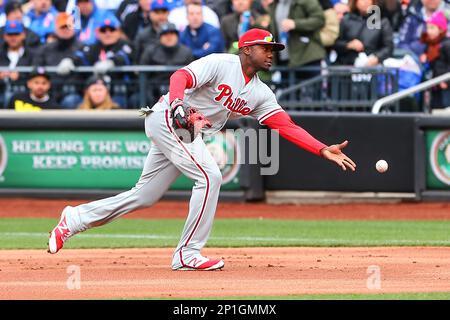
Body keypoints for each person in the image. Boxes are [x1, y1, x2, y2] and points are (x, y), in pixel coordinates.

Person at [47, 28, 356, 271]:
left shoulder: (261, 93)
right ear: (247, 49)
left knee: (145, 195)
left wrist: (320, 149)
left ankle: (74, 219)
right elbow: (180, 76)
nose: (271, 54)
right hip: (167, 116)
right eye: (266, 48)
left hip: (188, 132)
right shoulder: (221, 63)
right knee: (210, 177)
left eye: (274, 49)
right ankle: (187, 253)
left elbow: (285, 124)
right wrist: (179, 100)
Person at [75, 15, 134, 108]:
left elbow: (124, 57)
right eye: (103, 30)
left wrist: (111, 62)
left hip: (119, 91)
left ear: (118, 32)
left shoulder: (125, 45)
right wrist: (70, 60)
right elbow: (81, 57)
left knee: (120, 101)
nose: (108, 33)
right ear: (98, 33)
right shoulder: (93, 47)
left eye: (111, 30)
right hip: (94, 91)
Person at [33, 12, 85, 109]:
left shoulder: (82, 47)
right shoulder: (46, 48)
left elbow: (85, 58)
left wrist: (71, 60)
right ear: (56, 29)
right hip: (49, 90)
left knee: (70, 101)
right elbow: (37, 67)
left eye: (68, 27)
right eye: (62, 27)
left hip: (75, 91)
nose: (66, 30)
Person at [265, 0, 327, 81]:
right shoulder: (275, 4)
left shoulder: (306, 2)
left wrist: (295, 24)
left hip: (307, 58)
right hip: (284, 59)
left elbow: (320, 19)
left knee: (311, 92)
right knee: (287, 92)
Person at [140, 22, 194, 104]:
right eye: (165, 34)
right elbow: (143, 74)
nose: (169, 37)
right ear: (160, 37)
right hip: (155, 91)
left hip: (180, 90)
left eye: (172, 33)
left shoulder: (186, 52)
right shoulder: (151, 51)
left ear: (177, 36)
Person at [333, 0, 394, 66]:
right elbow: (335, 43)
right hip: (345, 66)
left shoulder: (382, 21)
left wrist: (377, 57)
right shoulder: (346, 19)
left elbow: (388, 47)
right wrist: (348, 45)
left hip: (370, 67)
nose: (365, 2)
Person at [0, 20, 35, 108]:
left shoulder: (31, 54)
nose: (13, 38)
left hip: (24, 92)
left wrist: (20, 75)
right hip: (1, 90)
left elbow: (36, 73)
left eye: (16, 34)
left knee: (11, 96)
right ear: (4, 36)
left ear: (23, 35)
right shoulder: (1, 53)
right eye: (10, 34)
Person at [419, 10, 450, 108]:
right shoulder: (430, 44)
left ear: (441, 29)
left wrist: (447, 82)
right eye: (428, 28)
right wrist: (424, 56)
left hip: (445, 84)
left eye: (432, 28)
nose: (429, 31)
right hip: (434, 83)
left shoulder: (446, 45)